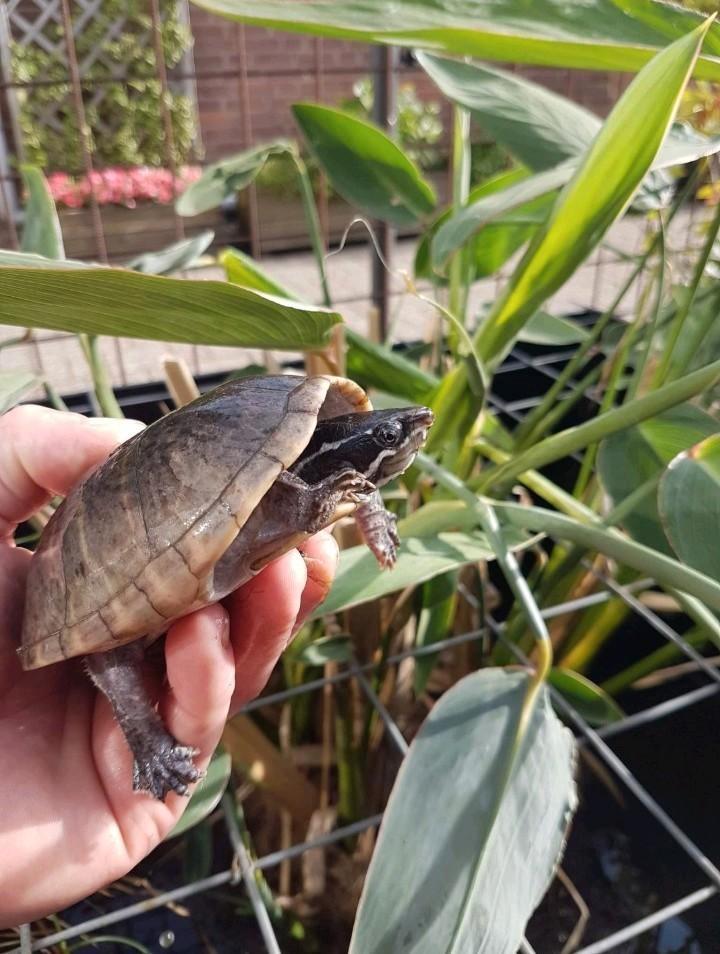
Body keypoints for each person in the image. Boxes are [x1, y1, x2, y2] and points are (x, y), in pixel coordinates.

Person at [0, 405, 339, 928]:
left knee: (192, 641)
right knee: (114, 652)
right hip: (97, 588)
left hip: (145, 588)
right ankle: (147, 747)